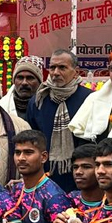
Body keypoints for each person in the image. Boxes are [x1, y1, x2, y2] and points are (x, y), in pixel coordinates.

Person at [27, 50, 93, 191]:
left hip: (83, 179)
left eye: (62, 67)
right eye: (52, 68)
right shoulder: (38, 100)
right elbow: (33, 140)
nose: (56, 72)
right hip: (46, 178)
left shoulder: (90, 99)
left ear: (76, 72)